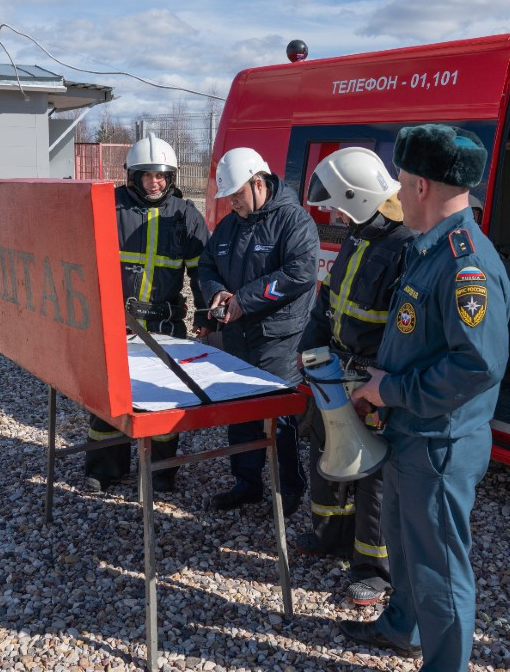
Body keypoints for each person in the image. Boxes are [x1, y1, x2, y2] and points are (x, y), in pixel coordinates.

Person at [342, 124, 510, 671]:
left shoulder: (467, 264)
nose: (393, 194)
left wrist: (389, 388)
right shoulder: (429, 247)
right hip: (410, 431)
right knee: (407, 546)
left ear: (419, 186)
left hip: (438, 441)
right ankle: (402, 628)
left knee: (440, 566)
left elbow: (478, 364)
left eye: (400, 182)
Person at [294, 147, 414, 606]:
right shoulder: (360, 236)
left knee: (375, 477)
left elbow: (405, 329)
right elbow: (329, 302)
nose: (336, 216)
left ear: (360, 199)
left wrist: (378, 384)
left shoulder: (405, 246)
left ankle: (373, 569)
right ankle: (329, 537)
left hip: (370, 381)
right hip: (334, 371)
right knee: (328, 456)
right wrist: (309, 348)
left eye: (342, 207)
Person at [195, 147, 319, 517]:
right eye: (229, 196)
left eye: (236, 195)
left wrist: (245, 301)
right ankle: (246, 484)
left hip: (277, 339)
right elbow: (206, 263)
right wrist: (215, 291)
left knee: (279, 418)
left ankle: (289, 491)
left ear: (258, 183)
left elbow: (301, 273)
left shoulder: (293, 221)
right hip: (237, 337)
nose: (232, 203)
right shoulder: (231, 225)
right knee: (239, 411)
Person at [84, 133, 209, 493]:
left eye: (162, 177)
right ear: (132, 176)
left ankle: (161, 472)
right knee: (108, 399)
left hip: (165, 323)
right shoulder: (109, 206)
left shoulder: (186, 215)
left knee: (165, 400)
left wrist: (203, 314)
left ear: (172, 177)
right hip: (115, 322)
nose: (154, 184)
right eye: (146, 176)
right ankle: (105, 469)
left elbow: (203, 270)